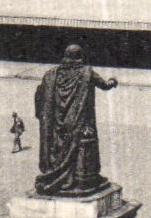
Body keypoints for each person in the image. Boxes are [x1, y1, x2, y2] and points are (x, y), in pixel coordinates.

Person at [33, 44, 119, 197]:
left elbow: (40, 97)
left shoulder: (51, 75)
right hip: (78, 122)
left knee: (60, 148)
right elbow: (105, 85)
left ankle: (57, 175)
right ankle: (79, 179)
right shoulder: (87, 73)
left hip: (56, 126)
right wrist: (113, 81)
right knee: (79, 148)